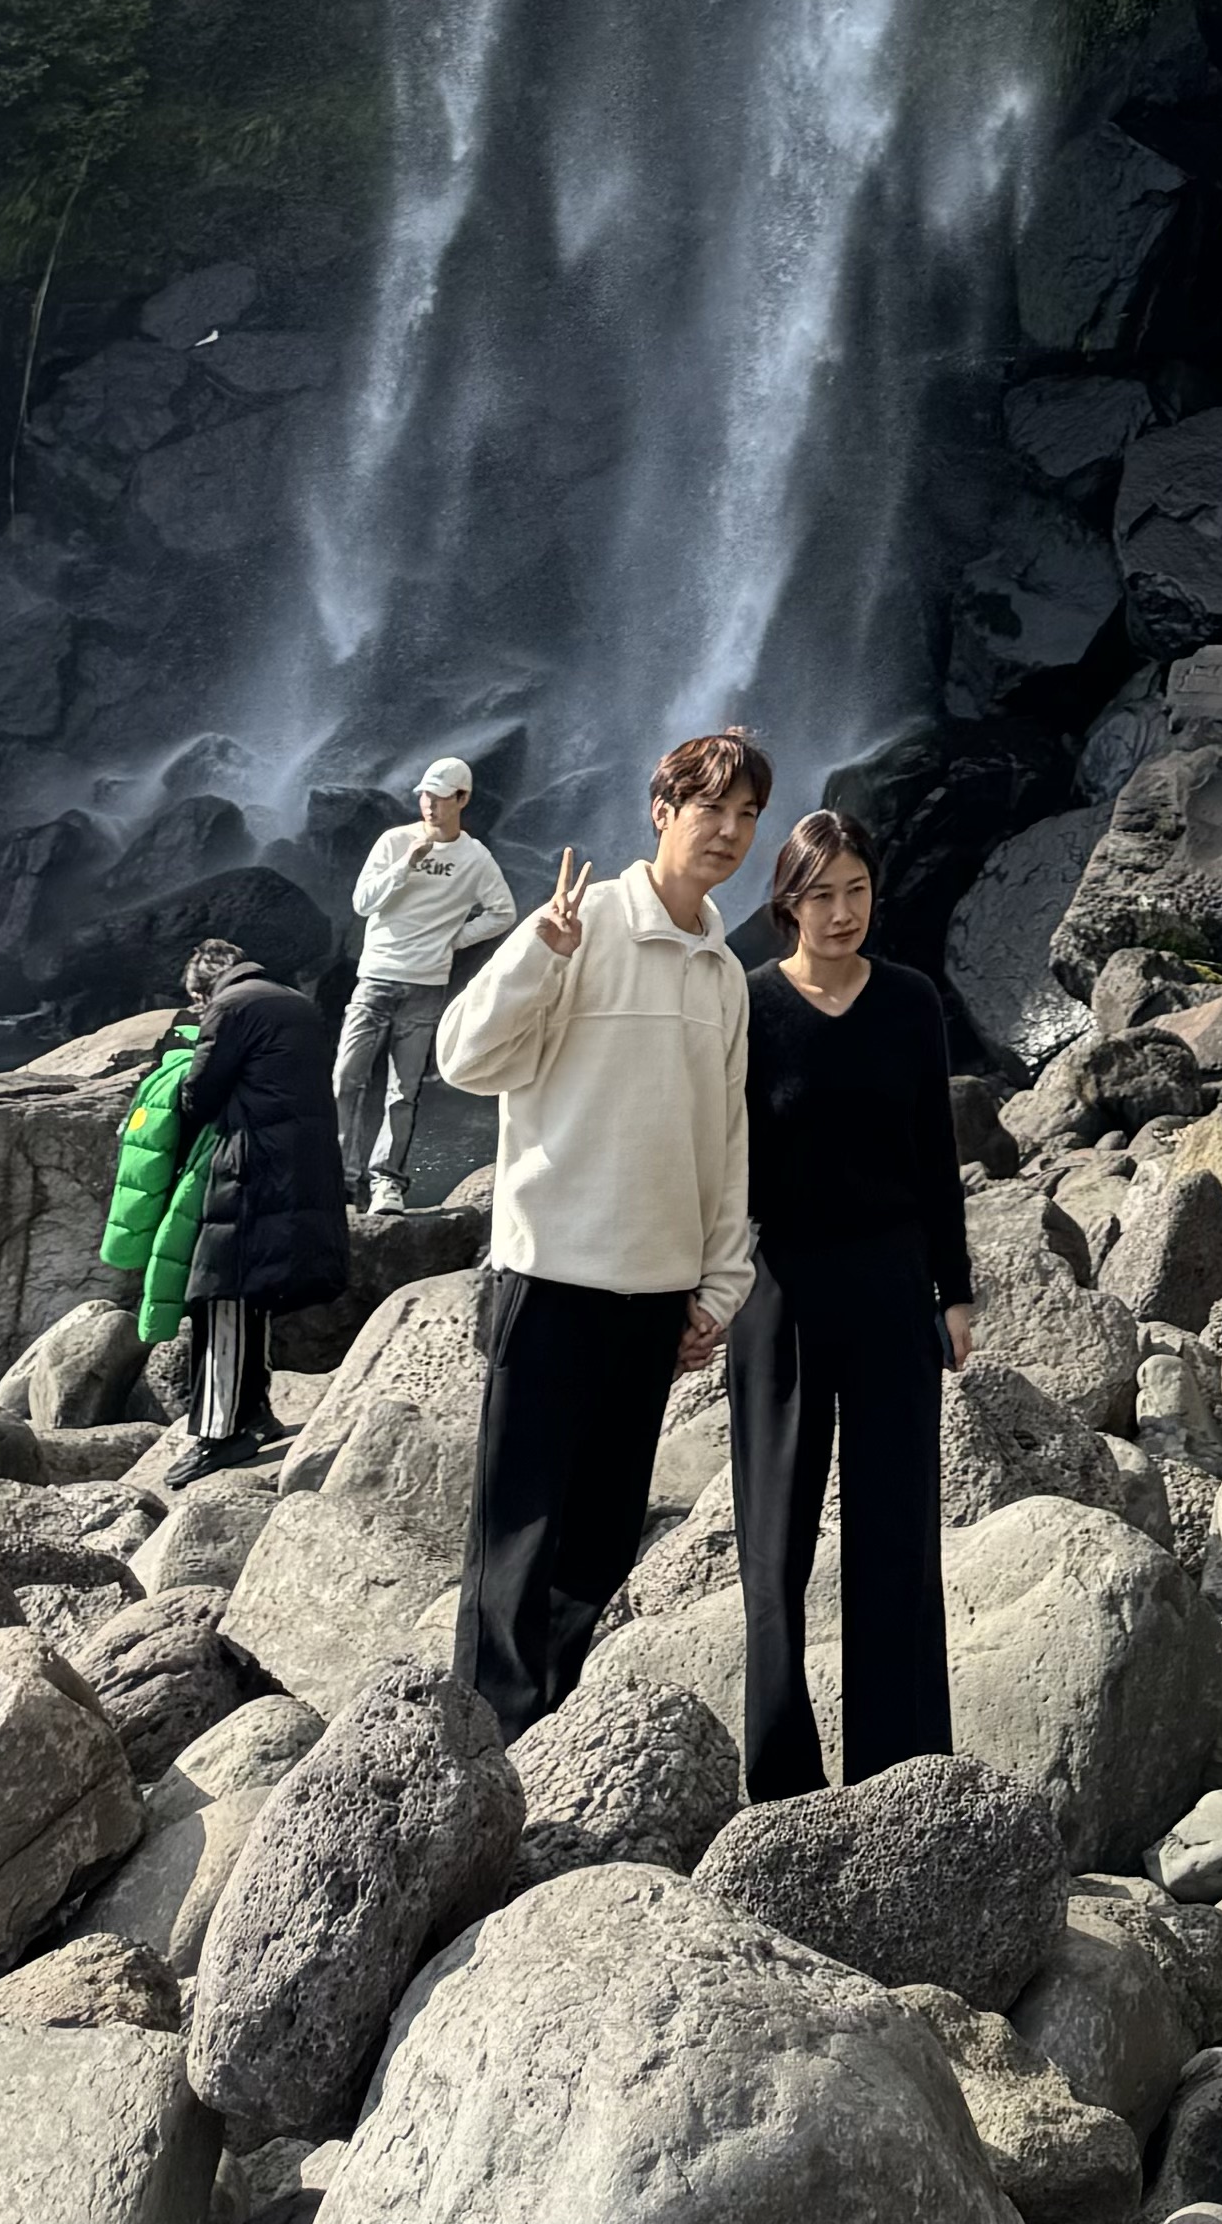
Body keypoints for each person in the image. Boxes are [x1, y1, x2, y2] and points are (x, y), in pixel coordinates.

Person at [436, 721, 769, 1742]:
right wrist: (539, 954)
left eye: (747, 814)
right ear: (660, 812)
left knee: (602, 1540)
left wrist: (718, 1287)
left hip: (656, 1291)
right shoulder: (578, 925)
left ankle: (547, 1730)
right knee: (517, 1538)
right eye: (708, 808)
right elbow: (465, 1057)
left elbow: (726, 1141)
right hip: (551, 1274)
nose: (727, 831)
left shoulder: (722, 972)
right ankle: (481, 1749)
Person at [730, 805, 974, 1797]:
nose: (843, 913)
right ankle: (780, 1782)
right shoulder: (747, 1006)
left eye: (858, 892)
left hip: (888, 1285)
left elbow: (936, 1156)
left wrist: (954, 1291)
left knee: (899, 1532)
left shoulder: (911, 1001)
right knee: (773, 1543)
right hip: (776, 1293)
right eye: (821, 895)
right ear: (788, 904)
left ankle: (904, 1768)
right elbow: (717, 1162)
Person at [161, 934, 354, 1478]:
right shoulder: (293, 1000)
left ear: (203, 988)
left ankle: (220, 1433)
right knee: (256, 1291)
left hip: (251, 1169)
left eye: (196, 1002)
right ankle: (259, 1413)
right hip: (303, 1168)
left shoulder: (230, 1007)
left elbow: (200, 1093)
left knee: (220, 1295)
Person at [333, 754, 516, 1211]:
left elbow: (503, 913)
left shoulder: (474, 858)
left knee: (404, 1090)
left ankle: (385, 1183)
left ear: (463, 799)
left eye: (439, 797)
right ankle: (338, 1177)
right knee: (345, 1078)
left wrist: (455, 940)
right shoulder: (395, 841)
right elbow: (362, 902)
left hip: (425, 986)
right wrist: (405, 867)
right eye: (424, 796)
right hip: (375, 977)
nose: (429, 805)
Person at [98, 944, 226, 1391]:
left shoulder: (180, 1033)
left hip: (168, 1168)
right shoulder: (239, 1030)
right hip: (208, 1173)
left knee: (166, 1264)